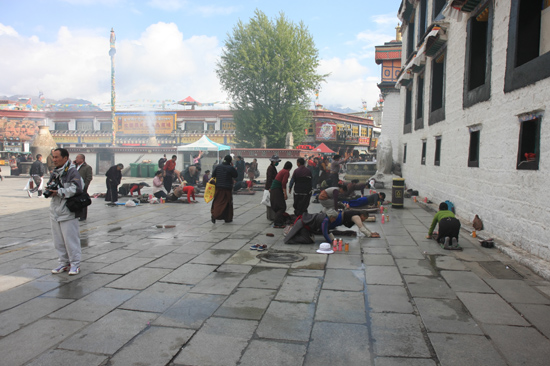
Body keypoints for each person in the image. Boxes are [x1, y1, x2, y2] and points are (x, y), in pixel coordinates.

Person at [47, 148, 84, 276]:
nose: (54, 159)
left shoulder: (72, 172)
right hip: (55, 210)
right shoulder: (55, 172)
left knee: (70, 240)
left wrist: (59, 192)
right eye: (53, 157)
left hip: (67, 210)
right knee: (58, 240)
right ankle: (63, 263)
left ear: (65, 158)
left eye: (57, 157)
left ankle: (75, 264)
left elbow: (77, 188)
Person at [211, 155, 238, 223]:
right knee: (228, 203)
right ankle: (227, 218)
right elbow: (236, 175)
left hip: (218, 187)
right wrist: (232, 167)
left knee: (217, 202)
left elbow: (213, 175)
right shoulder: (230, 168)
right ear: (230, 161)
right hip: (227, 188)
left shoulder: (218, 166)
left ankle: (214, 215)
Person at [270, 161, 292, 228]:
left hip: (274, 189)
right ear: (290, 168)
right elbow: (283, 183)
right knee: (282, 207)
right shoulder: (286, 172)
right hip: (277, 189)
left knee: (277, 206)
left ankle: (279, 221)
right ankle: (277, 223)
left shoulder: (282, 170)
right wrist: (285, 193)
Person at [74, 154, 93, 221]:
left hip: (82, 187)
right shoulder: (74, 166)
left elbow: (89, 177)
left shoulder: (87, 167)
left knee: (83, 201)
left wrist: (85, 186)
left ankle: (83, 216)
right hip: (74, 186)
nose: (76, 159)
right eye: (76, 158)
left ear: (82, 159)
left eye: (78, 158)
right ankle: (76, 214)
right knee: (75, 201)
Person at [264, 155, 281, 221]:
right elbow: (269, 178)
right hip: (270, 187)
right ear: (273, 161)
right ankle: (271, 216)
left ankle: (271, 216)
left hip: (271, 186)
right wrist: (270, 187)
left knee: (271, 202)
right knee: (270, 202)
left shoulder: (273, 167)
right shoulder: (270, 168)